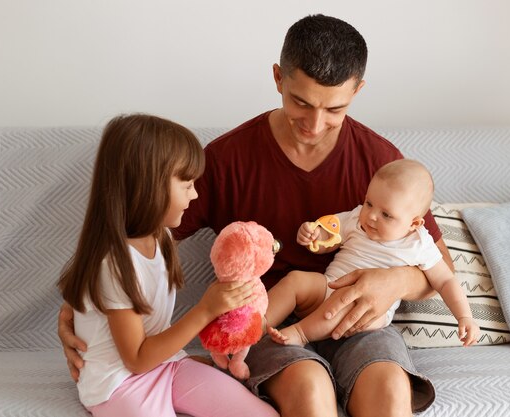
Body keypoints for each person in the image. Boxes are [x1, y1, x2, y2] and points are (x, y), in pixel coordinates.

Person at [59, 14, 454, 417]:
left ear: (358, 90)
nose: (315, 125)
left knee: (388, 393)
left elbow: (439, 270)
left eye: (334, 108)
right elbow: (130, 234)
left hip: (358, 321)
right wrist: (74, 312)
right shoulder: (227, 159)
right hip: (265, 325)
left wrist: (393, 281)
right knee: (310, 392)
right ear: (278, 78)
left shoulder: (384, 165)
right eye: (301, 102)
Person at [56, 114, 278, 417]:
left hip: (165, 365)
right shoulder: (115, 265)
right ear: (147, 186)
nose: (195, 194)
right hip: (118, 385)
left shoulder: (159, 236)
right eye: (186, 184)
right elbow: (135, 359)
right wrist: (205, 310)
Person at [265, 159, 481, 348]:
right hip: (328, 286)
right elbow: (330, 236)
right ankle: (257, 326)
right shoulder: (357, 217)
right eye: (369, 203)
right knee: (295, 280)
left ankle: (300, 334)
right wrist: (314, 236)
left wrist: (464, 317)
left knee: (347, 297)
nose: (371, 216)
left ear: (414, 223)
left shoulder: (419, 244)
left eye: (386, 214)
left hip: (367, 311)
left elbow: (445, 281)